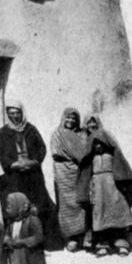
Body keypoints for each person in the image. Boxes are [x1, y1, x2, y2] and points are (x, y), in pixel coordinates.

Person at [0, 100, 62, 250]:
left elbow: (42, 148)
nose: (14, 116)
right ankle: (15, 240)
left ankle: (40, 239)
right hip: (13, 176)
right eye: (11, 113)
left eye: (17, 113)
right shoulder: (1, 133)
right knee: (16, 205)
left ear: (22, 113)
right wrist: (13, 164)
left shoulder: (31, 129)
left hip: (32, 175)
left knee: (37, 204)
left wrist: (34, 162)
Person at [78, 130, 132, 257]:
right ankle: (102, 245)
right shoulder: (91, 158)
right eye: (95, 144)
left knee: (117, 214)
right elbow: (85, 175)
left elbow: (122, 171)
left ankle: (121, 244)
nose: (98, 146)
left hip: (112, 188)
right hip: (98, 189)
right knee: (100, 215)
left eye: (100, 144)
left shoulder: (112, 155)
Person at [50, 108, 88, 252]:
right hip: (63, 173)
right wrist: (71, 157)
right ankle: (70, 237)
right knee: (66, 205)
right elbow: (56, 153)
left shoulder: (82, 134)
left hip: (79, 172)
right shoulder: (57, 134)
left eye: (73, 119)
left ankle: (82, 236)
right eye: (68, 118)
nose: (70, 121)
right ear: (63, 118)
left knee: (80, 203)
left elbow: (84, 153)